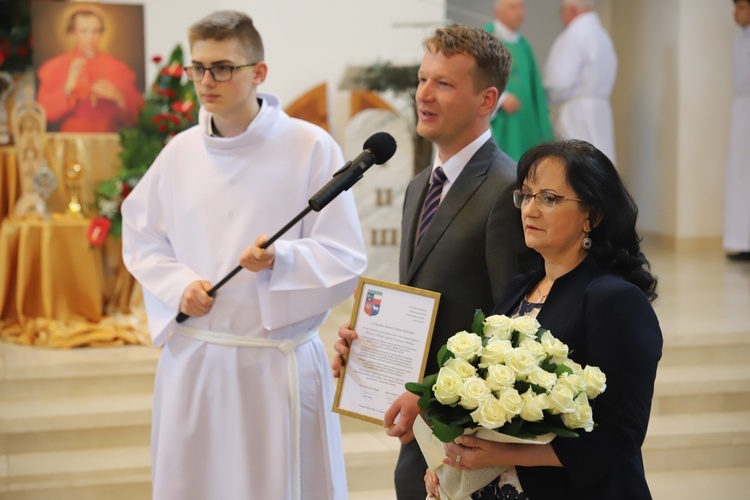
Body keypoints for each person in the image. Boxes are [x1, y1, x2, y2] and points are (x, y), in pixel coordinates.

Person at [121, 11, 366, 500]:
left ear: (259, 72)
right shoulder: (179, 152)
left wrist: (282, 260)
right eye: (198, 68)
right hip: (196, 360)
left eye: (223, 67)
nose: (206, 81)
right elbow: (143, 238)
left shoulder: (309, 146)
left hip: (273, 365)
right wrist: (178, 287)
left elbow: (345, 254)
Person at [332, 24, 525, 499]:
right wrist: (367, 350)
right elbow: (420, 304)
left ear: (486, 100)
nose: (424, 94)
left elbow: (513, 326)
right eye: (422, 79)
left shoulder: (506, 190)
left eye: (444, 83)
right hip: (419, 436)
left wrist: (435, 396)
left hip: (471, 440)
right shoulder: (421, 185)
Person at [424, 139, 662, 499]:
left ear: (592, 216)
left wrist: (505, 454)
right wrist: (452, 463)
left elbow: (620, 435)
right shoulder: (522, 286)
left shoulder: (614, 299)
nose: (530, 210)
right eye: (527, 195)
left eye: (549, 199)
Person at [37, 8, 144, 132]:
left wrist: (120, 98)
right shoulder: (53, 66)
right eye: (84, 31)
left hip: (109, 136)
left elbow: (140, 114)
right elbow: (43, 113)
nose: (90, 37)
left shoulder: (119, 67)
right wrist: (67, 87)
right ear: (72, 34)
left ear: (102, 34)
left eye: (95, 31)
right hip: (71, 139)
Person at [544, 0, 618, 164]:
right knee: (601, 166)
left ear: (572, 10)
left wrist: (546, 95)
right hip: (601, 112)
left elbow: (559, 81)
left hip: (577, 113)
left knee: (577, 166)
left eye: (562, 11)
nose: (562, 17)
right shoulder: (602, 35)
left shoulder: (574, 34)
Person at [485, 0, 554, 161]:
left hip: (525, 123)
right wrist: (501, 98)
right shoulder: (487, 38)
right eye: (513, 7)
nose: (519, 12)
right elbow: (478, 77)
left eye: (522, 6)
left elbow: (535, 89)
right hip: (502, 123)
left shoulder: (524, 46)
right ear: (498, 12)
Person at [724, 0, 750, 261]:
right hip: (743, 112)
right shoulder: (741, 38)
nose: (736, 13)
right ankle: (743, 241)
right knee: (741, 177)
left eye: (741, 6)